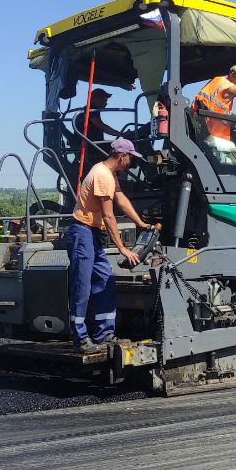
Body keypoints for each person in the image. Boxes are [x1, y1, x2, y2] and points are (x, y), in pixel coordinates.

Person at [65, 138, 151, 352]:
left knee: (105, 280)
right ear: (122, 156)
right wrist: (122, 248)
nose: (131, 162)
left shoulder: (110, 173)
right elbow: (109, 215)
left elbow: (121, 199)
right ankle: (81, 338)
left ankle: (104, 335)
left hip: (92, 235)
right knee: (82, 287)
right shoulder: (102, 176)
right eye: (130, 157)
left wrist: (140, 223)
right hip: (82, 233)